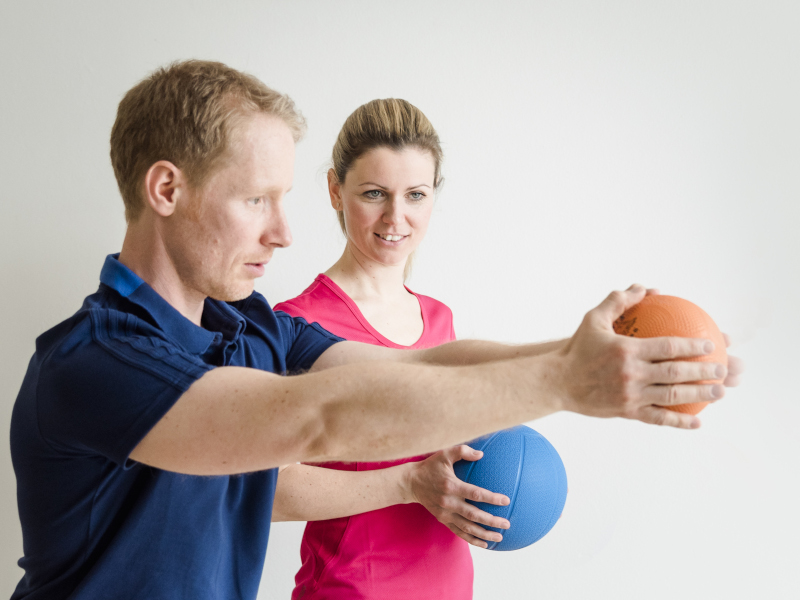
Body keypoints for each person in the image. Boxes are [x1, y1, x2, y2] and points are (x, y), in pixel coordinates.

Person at [9, 60, 741, 600]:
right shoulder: (93, 361)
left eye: (285, 199)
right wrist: (563, 382)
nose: (285, 232)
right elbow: (315, 420)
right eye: (257, 200)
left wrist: (586, 354)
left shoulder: (250, 329)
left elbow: (420, 366)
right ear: (166, 189)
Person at [273, 98, 502, 599]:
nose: (396, 217)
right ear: (335, 190)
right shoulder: (295, 326)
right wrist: (407, 483)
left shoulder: (439, 319)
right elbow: (262, 488)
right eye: (374, 193)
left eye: (415, 195)